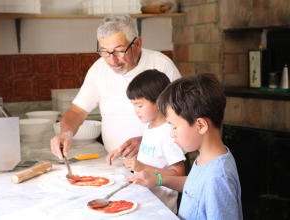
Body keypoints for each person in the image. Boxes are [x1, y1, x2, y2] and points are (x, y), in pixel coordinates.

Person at [50, 14, 181, 160]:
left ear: (137, 44)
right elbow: (77, 111)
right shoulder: (98, 69)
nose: (112, 60)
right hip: (117, 163)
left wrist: (147, 140)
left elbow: (182, 116)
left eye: (119, 50)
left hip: (161, 164)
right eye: (105, 52)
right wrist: (65, 133)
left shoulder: (161, 65)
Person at [126, 73, 243, 220]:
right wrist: (159, 179)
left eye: (174, 127)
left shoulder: (218, 178)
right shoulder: (207, 157)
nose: (171, 134)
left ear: (201, 125)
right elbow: (194, 186)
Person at [123, 69, 186, 213]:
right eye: (133, 105)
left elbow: (179, 173)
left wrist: (142, 166)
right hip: (146, 201)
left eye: (139, 105)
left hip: (162, 208)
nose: (135, 111)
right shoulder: (149, 127)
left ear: (158, 103)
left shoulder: (168, 133)